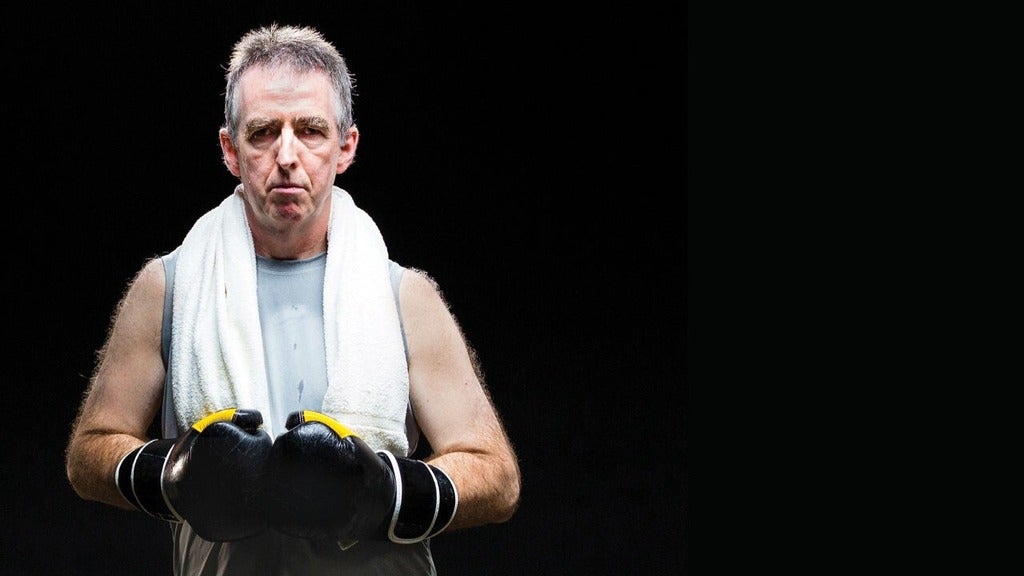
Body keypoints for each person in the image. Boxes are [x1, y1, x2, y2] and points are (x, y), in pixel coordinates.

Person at [65, 23, 521, 575]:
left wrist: (386, 493)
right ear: (230, 150)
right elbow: (87, 455)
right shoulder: (168, 288)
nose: (286, 155)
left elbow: (497, 477)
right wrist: (170, 473)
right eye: (262, 133)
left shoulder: (406, 297)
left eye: (310, 131)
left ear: (345, 146)